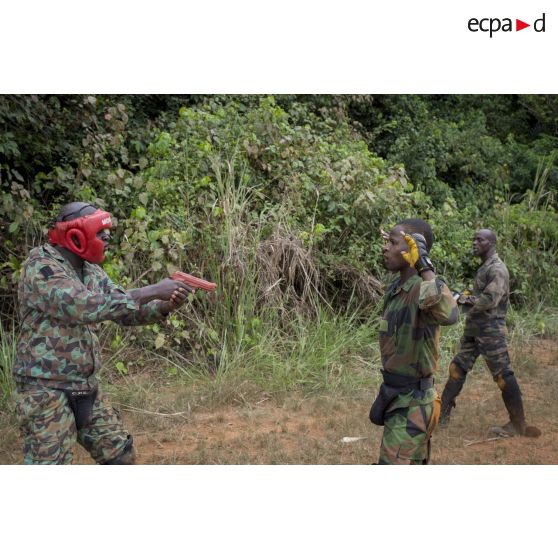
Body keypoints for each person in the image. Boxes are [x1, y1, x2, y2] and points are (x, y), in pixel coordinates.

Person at [12, 202, 193, 464]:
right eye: (101, 235)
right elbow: (83, 306)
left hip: (85, 386)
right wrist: (152, 290)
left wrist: (165, 305)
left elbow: (123, 309)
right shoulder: (41, 267)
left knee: (120, 455)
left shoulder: (91, 270)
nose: (107, 241)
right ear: (76, 235)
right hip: (45, 391)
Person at [370, 218, 459, 464]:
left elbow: (450, 315)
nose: (385, 247)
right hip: (396, 396)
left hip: (413, 404)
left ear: (412, 248)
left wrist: (424, 264)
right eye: (386, 241)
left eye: (393, 242)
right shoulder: (396, 289)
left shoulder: (423, 288)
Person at [440, 229, 540, 438]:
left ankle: (518, 424)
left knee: (503, 375)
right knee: (457, 369)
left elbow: (490, 300)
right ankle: (441, 418)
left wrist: (463, 300)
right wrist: (465, 296)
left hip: (490, 330)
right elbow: (479, 296)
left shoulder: (497, 269)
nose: (474, 242)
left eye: (480, 239)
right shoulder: (485, 267)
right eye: (473, 238)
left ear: (491, 243)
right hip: (475, 328)